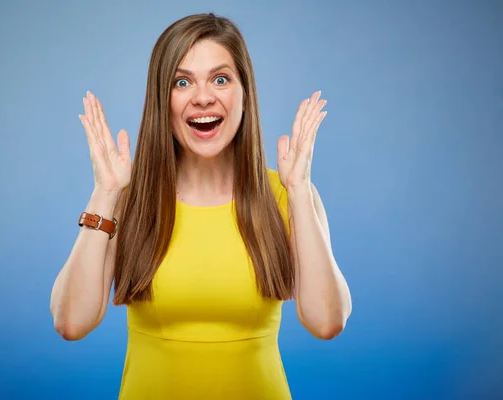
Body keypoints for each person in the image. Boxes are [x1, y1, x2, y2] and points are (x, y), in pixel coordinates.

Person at [50, 13, 352, 400]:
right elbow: (71, 321)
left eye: (221, 79)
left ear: (245, 93)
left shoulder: (286, 194)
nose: (204, 97)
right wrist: (106, 193)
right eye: (182, 81)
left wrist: (297, 191)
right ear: (164, 99)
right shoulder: (130, 199)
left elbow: (327, 321)